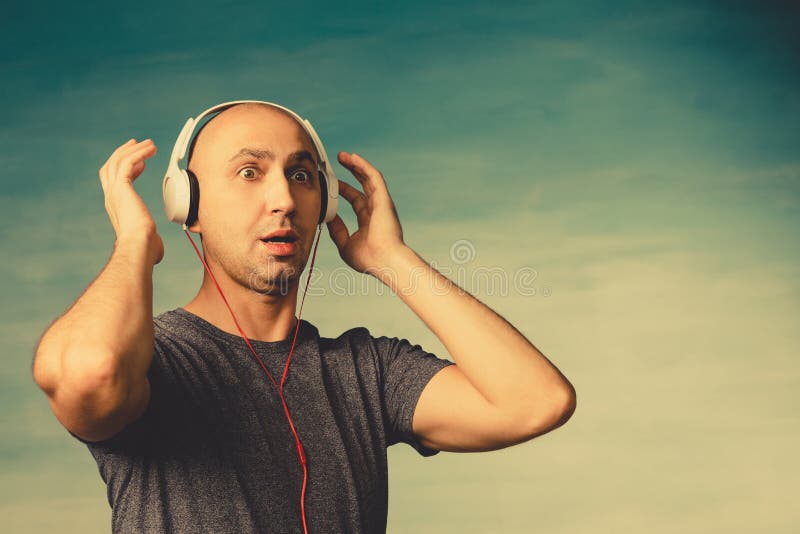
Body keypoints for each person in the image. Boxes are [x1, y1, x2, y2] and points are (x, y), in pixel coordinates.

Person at [32, 101, 577, 533]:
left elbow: (537, 402)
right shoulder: (154, 362)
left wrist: (392, 260)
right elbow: (88, 371)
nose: (283, 199)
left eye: (301, 175)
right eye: (249, 172)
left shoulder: (368, 372)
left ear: (324, 204)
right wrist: (133, 244)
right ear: (187, 206)